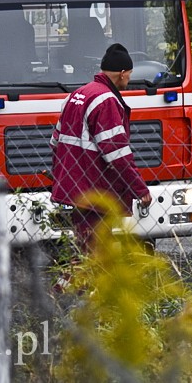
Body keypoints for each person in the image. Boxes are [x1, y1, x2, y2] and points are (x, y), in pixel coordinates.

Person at [50, 43, 152, 251]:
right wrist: (139, 189)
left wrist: (64, 173)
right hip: (97, 189)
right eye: (130, 74)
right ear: (122, 73)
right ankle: (70, 284)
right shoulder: (106, 101)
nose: (130, 79)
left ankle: (71, 282)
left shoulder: (77, 95)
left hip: (76, 186)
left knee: (86, 246)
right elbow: (118, 154)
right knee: (95, 250)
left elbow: (55, 141)